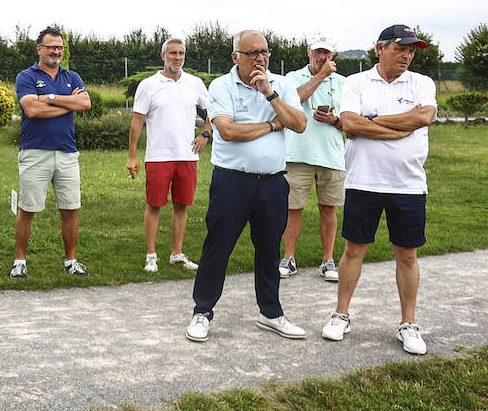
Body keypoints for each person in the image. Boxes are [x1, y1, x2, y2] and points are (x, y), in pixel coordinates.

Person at [186, 30, 307, 343]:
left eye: (264, 52)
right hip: (232, 181)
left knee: (269, 249)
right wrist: (270, 125)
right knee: (218, 246)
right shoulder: (222, 86)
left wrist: (269, 93)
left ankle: (270, 312)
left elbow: (299, 124)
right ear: (235, 56)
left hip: (273, 181)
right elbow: (227, 130)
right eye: (252, 53)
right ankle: (202, 311)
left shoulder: (282, 85)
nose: (260, 58)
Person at [326, 25, 438, 354]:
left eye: (411, 50)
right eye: (400, 48)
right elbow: (349, 122)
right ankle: (341, 314)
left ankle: (408, 323)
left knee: (407, 254)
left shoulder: (422, 83)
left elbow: (425, 117)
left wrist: (372, 121)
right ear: (380, 48)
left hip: (408, 184)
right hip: (364, 181)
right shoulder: (356, 82)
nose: (406, 55)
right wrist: (398, 124)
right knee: (354, 250)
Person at [11, 27, 92, 279]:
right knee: (28, 208)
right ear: (39, 49)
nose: (56, 51)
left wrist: (51, 97)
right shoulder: (26, 76)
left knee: (70, 208)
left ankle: (71, 261)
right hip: (35, 152)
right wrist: (69, 104)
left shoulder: (72, 76)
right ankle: (20, 261)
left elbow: (86, 104)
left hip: (67, 153)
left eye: (60, 47)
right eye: (51, 47)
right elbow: (33, 111)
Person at [126, 38, 209, 273]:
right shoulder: (148, 85)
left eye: (181, 53)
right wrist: (132, 156)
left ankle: (177, 254)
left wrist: (205, 134)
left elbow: (214, 110)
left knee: (181, 205)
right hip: (158, 156)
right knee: (154, 205)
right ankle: (151, 256)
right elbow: (137, 122)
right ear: (163, 56)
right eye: (173, 53)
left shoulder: (194, 83)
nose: (178, 58)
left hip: (187, 156)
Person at [279, 35, 347, 281]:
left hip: (331, 155)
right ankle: (289, 257)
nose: (323, 57)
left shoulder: (343, 83)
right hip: (298, 154)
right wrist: (320, 76)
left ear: (333, 56)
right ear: (309, 53)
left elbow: (352, 120)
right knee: (292, 208)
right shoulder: (293, 78)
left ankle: (328, 260)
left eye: (327, 53)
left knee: (328, 209)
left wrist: (335, 121)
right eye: (318, 52)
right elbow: (293, 102)